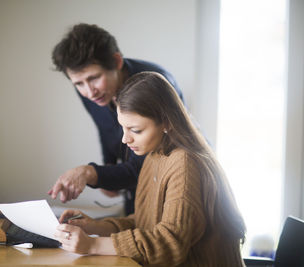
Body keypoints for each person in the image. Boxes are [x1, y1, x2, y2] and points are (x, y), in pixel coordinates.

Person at [54, 72, 246, 266]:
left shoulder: (186, 165)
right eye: (123, 128)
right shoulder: (155, 155)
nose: (125, 139)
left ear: (166, 122)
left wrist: (93, 245)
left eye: (135, 130)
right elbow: (145, 222)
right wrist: (96, 226)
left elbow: (169, 243)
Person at [48, 23, 184, 215]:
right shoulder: (91, 91)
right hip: (132, 194)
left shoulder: (156, 85)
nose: (89, 91)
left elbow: (145, 166)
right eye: (78, 83)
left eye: (94, 78)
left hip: (170, 193)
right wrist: (108, 166)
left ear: (117, 61)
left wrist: (91, 173)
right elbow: (105, 128)